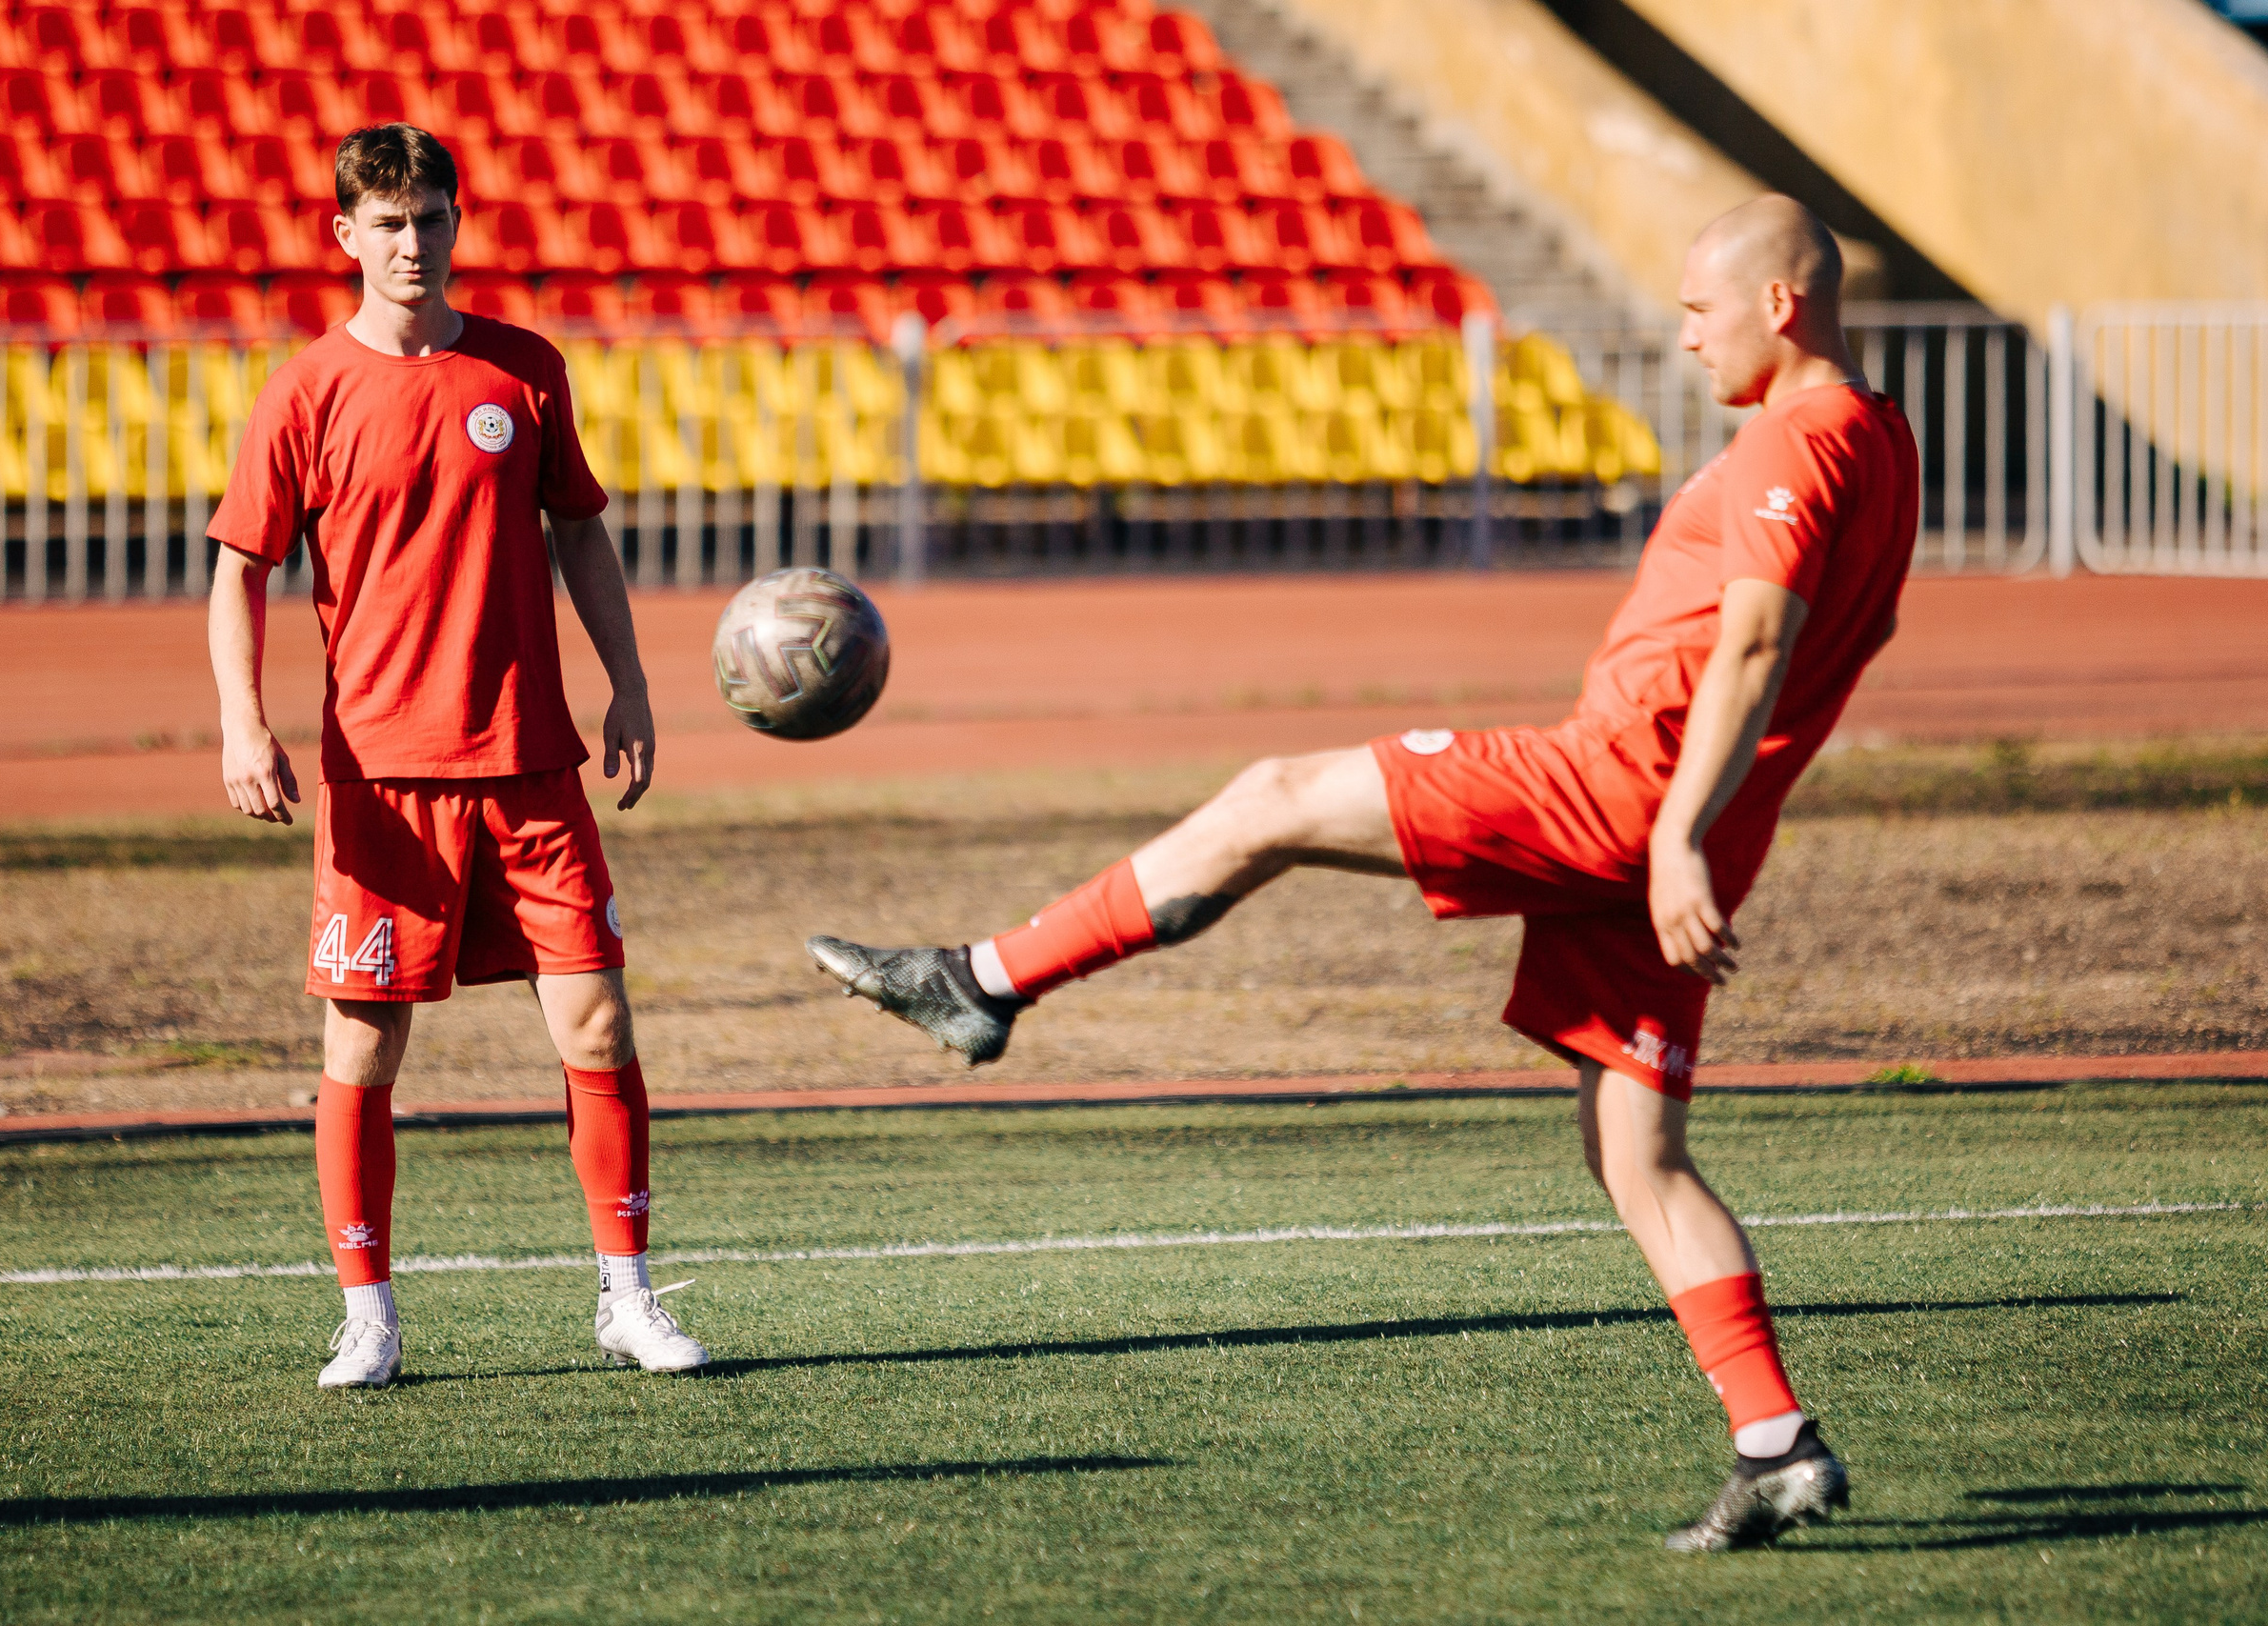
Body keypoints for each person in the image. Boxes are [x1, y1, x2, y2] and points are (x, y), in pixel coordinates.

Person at [808, 195, 1917, 1550]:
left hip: (1622, 793)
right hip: (1689, 822)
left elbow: (1754, 648)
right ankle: (1776, 1440)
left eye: (1699, 311)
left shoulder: (1795, 445)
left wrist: (1675, 826)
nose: (1685, 338)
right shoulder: (1884, 434)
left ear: (1781, 306)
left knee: (1270, 798)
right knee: (1638, 1156)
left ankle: (977, 980)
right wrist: (1704, 828)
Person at [207, 124, 705, 1390]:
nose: (411, 245)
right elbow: (240, 571)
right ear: (344, 238)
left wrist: (631, 685)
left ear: (456, 223)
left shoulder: (524, 372)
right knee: (362, 1051)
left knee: (596, 1024)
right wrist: (238, 717)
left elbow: (581, 534)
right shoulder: (305, 391)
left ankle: (628, 1298)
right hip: (380, 782)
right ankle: (368, 1315)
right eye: (386, 223)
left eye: (429, 219)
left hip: (534, 768)